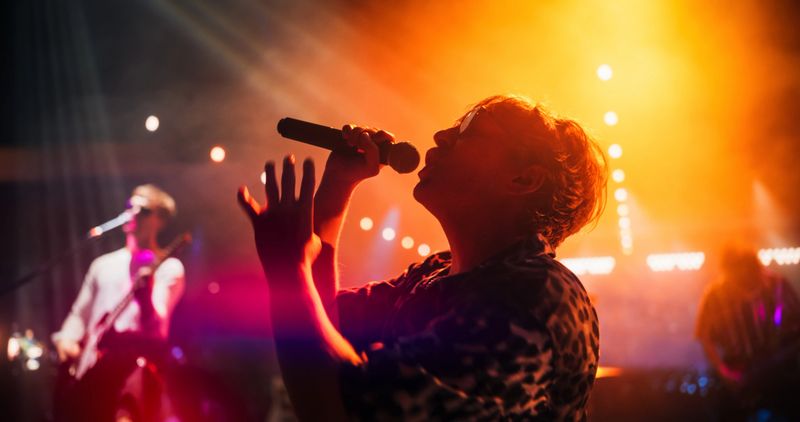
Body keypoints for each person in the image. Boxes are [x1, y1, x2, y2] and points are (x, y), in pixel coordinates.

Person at [238, 94, 607, 420]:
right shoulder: (435, 274)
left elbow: (338, 407)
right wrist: (338, 185)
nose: (441, 136)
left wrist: (290, 270)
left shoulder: (534, 298)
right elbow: (323, 328)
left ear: (524, 180)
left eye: (469, 130)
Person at [52, 184, 185, 421]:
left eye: (142, 210)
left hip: (133, 378)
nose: (132, 213)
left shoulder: (168, 268)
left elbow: (157, 329)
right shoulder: (102, 265)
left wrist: (146, 298)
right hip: (91, 375)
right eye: (128, 207)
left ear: (160, 220)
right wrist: (67, 338)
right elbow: (79, 315)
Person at [696, 245, 800, 418]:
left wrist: (785, 357)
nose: (743, 285)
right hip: (738, 372)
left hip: (781, 374)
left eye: (748, 277)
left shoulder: (778, 286)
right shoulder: (715, 294)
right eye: (736, 277)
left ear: (755, 269)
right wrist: (724, 373)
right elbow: (705, 337)